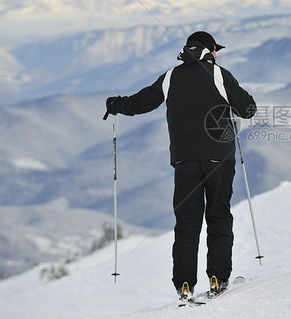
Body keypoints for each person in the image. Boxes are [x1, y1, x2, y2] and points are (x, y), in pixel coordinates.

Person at [105, 31, 256, 302]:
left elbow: (141, 102)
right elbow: (248, 109)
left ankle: (184, 285)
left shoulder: (171, 76)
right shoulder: (221, 75)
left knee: (187, 223)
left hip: (184, 161)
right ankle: (217, 278)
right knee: (219, 216)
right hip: (219, 159)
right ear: (211, 51)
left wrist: (117, 104)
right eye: (216, 51)